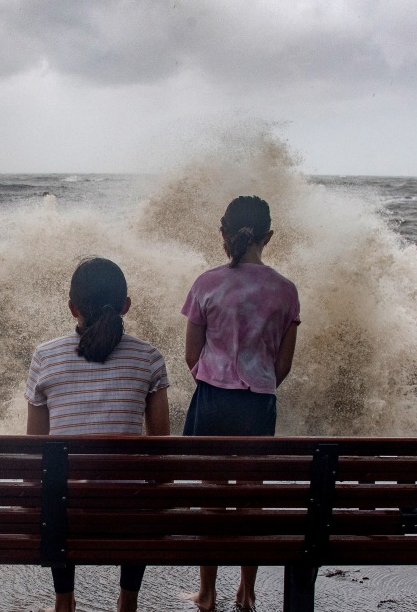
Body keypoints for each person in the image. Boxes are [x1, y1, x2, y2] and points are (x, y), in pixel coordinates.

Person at [25, 257, 171, 612]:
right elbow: (160, 451)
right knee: (143, 487)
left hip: (65, 516)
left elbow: (34, 449)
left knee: (54, 481)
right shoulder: (149, 358)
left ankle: (64, 600)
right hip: (128, 515)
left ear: (73, 308)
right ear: (125, 306)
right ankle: (128, 600)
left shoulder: (45, 357)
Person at [180, 195, 301, 612]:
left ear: (223, 234)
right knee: (252, 498)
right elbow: (282, 365)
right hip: (258, 403)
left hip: (212, 399)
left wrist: (216, 378)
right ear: (268, 236)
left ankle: (207, 592)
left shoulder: (206, 283)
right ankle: (247, 592)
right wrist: (257, 382)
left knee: (211, 499)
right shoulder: (286, 291)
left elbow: (191, 356)